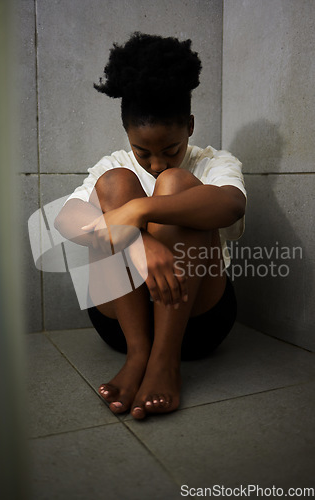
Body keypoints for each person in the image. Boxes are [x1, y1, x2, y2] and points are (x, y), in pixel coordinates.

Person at [54, 32, 246, 420]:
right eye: (144, 152)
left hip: (198, 322)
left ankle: (164, 360)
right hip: (123, 327)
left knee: (175, 186)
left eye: (170, 149)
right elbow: (65, 219)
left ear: (189, 126)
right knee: (114, 185)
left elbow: (231, 205)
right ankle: (141, 353)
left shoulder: (212, 162)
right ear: (126, 133)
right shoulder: (114, 164)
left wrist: (140, 210)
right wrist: (139, 243)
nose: (156, 163)